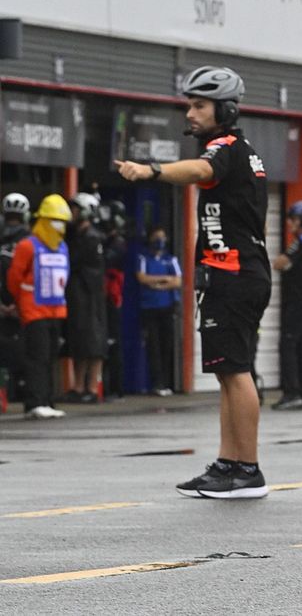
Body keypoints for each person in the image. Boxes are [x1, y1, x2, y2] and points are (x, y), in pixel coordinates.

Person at [116, 65, 271, 499]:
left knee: (237, 371)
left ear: (225, 109)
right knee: (227, 372)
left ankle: (248, 469)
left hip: (236, 275)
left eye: (199, 105)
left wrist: (151, 171)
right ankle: (229, 463)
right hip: (229, 275)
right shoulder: (234, 149)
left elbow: (199, 171)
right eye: (189, 104)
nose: (190, 112)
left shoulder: (226, 147)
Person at [6, 195, 72, 419]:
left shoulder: (62, 247)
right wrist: (22, 301)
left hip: (56, 309)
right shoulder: (27, 245)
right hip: (34, 310)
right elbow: (14, 277)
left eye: (61, 221)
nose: (59, 225)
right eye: (54, 220)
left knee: (51, 356)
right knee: (36, 357)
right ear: (42, 219)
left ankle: (47, 400)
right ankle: (34, 402)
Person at [272, 201, 302, 410]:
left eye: (292, 219)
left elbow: (279, 263)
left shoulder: (301, 241)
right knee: (300, 346)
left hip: (297, 301)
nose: (289, 223)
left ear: (301, 220)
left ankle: (291, 393)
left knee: (288, 344)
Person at [65, 192, 108, 405]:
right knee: (78, 342)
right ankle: (78, 386)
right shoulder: (74, 236)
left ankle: (91, 387)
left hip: (90, 296)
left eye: (74, 209)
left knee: (93, 342)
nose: (70, 213)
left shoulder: (92, 237)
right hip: (77, 295)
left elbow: (81, 266)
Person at [137, 226, 182, 396]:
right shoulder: (143, 258)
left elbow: (177, 281)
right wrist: (165, 279)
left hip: (167, 307)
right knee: (153, 346)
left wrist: (156, 283)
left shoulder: (170, 259)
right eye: (156, 237)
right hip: (149, 307)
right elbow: (142, 278)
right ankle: (156, 383)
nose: (159, 240)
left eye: (162, 237)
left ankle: (167, 382)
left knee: (167, 345)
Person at [1, 193, 32, 407]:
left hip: (12, 302)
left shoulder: (29, 241)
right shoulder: (31, 240)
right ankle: (17, 391)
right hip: (19, 301)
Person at [101, 199, 128, 400]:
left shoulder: (118, 243)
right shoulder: (107, 240)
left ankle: (115, 387)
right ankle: (109, 386)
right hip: (105, 295)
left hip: (112, 296)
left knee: (113, 342)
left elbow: (104, 261)